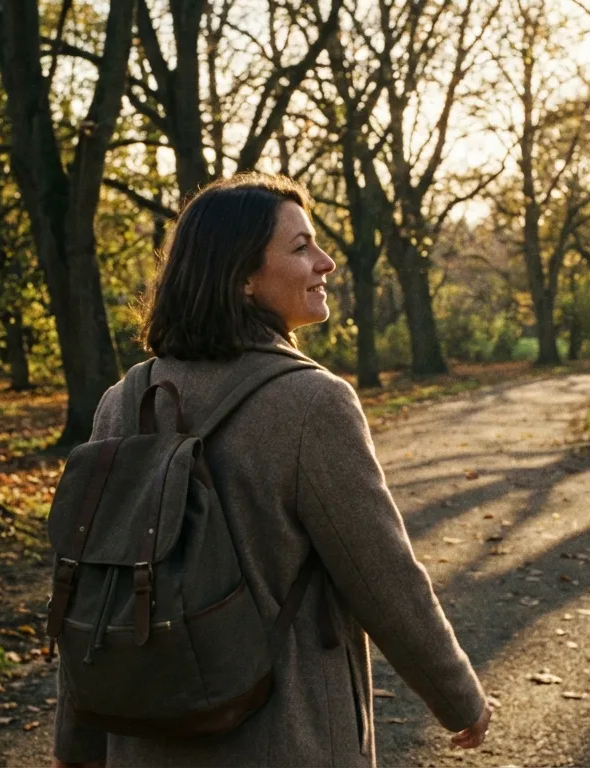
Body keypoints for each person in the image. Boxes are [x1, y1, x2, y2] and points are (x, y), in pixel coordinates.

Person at [53, 173, 491, 767]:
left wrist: (76, 748)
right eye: (301, 247)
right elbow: (383, 577)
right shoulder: (312, 402)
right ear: (242, 278)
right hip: (282, 737)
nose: (327, 262)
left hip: (143, 738)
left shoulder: (124, 401)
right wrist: (458, 698)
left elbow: (88, 590)